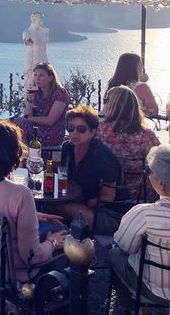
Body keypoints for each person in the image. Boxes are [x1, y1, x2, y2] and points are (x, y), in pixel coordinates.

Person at [0, 121, 68, 283]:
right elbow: (32, 256)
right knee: (66, 238)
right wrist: (53, 243)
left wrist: (33, 214)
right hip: (10, 274)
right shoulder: (20, 194)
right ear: (12, 153)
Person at [52, 105, 129, 234]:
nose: (74, 133)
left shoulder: (102, 156)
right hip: (80, 204)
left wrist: (78, 205)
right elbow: (62, 176)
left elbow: (108, 197)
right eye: (70, 128)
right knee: (46, 206)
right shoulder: (67, 148)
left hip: (109, 214)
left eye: (81, 129)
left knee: (53, 207)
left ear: (93, 132)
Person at [110, 144, 170, 306]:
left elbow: (123, 244)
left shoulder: (145, 214)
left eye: (150, 171)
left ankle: (133, 308)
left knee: (113, 254)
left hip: (155, 291)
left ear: (161, 183)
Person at [97, 85, 160, 200]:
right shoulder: (146, 136)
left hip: (106, 195)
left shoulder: (99, 131)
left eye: (106, 100)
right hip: (141, 197)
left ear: (112, 105)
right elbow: (161, 163)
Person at [15, 62, 70, 147]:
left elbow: (50, 121)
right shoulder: (36, 91)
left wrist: (29, 119)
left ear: (50, 78)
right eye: (36, 75)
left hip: (53, 131)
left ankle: (25, 154)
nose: (37, 78)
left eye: (41, 75)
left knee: (21, 123)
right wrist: (30, 101)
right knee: (17, 123)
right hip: (36, 128)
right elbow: (27, 115)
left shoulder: (60, 93)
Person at [107, 52, 159, 117]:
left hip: (106, 123)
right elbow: (154, 111)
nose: (143, 68)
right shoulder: (141, 87)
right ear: (137, 68)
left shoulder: (112, 83)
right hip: (129, 125)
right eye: (140, 65)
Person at [22, 12, 49, 88]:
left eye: (42, 19)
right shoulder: (27, 32)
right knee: (31, 86)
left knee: (45, 86)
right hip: (32, 62)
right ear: (34, 20)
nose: (41, 21)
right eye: (39, 19)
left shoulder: (45, 31)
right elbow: (28, 43)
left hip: (44, 61)